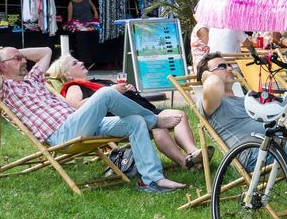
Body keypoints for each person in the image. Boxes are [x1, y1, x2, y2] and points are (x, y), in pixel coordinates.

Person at [0, 46, 185, 193]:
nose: (23, 60)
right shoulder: (5, 89)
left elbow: (46, 51)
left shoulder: (34, 79)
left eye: (22, 57)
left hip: (82, 124)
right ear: (2, 66)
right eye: (17, 59)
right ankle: (154, 120)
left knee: (136, 121)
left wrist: (15, 51)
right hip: (62, 134)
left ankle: (152, 181)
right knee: (106, 94)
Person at [46, 55, 208, 170]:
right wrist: (111, 91)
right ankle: (184, 162)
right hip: (124, 117)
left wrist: (128, 89)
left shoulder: (96, 82)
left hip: (145, 109)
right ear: (67, 74)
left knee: (179, 115)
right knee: (157, 125)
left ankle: (193, 152)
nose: (81, 62)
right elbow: (78, 107)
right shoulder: (74, 87)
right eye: (75, 63)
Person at [197, 52, 287, 167]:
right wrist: (206, 76)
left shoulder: (244, 99)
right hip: (253, 153)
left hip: (273, 143)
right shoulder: (211, 104)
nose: (230, 68)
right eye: (222, 66)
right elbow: (214, 83)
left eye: (229, 65)